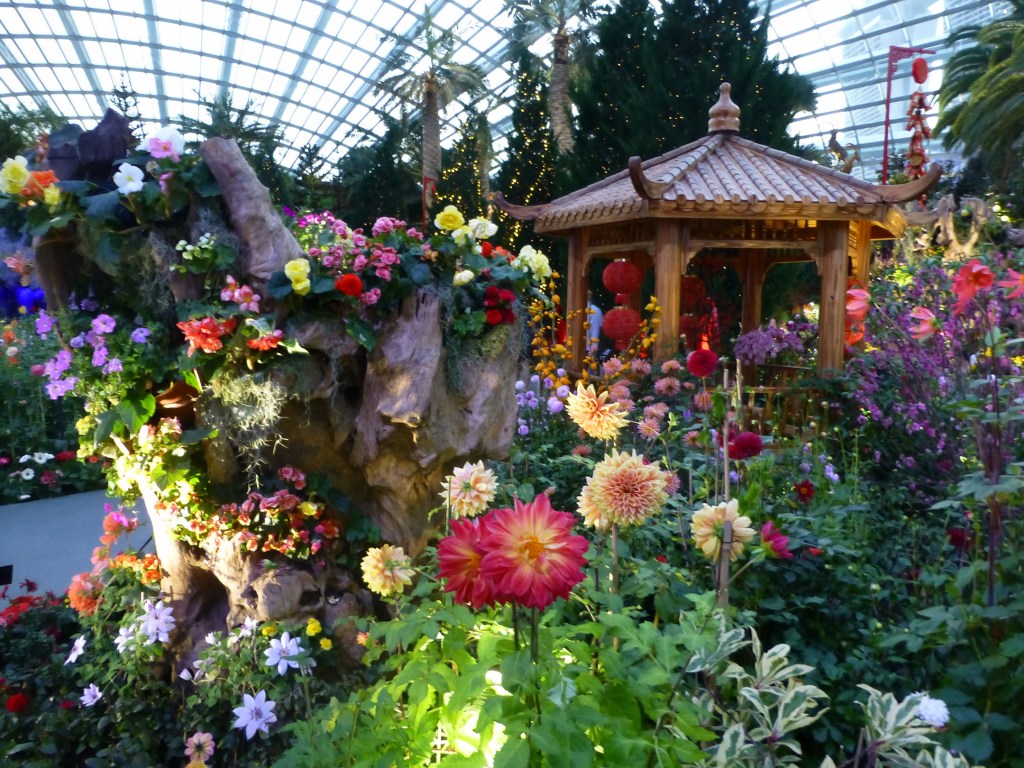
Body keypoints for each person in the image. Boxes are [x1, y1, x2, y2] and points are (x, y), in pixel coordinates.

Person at [586, 292, 603, 357]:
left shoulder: (595, 310)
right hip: (591, 348)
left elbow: (596, 331)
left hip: (588, 349)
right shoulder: (597, 310)